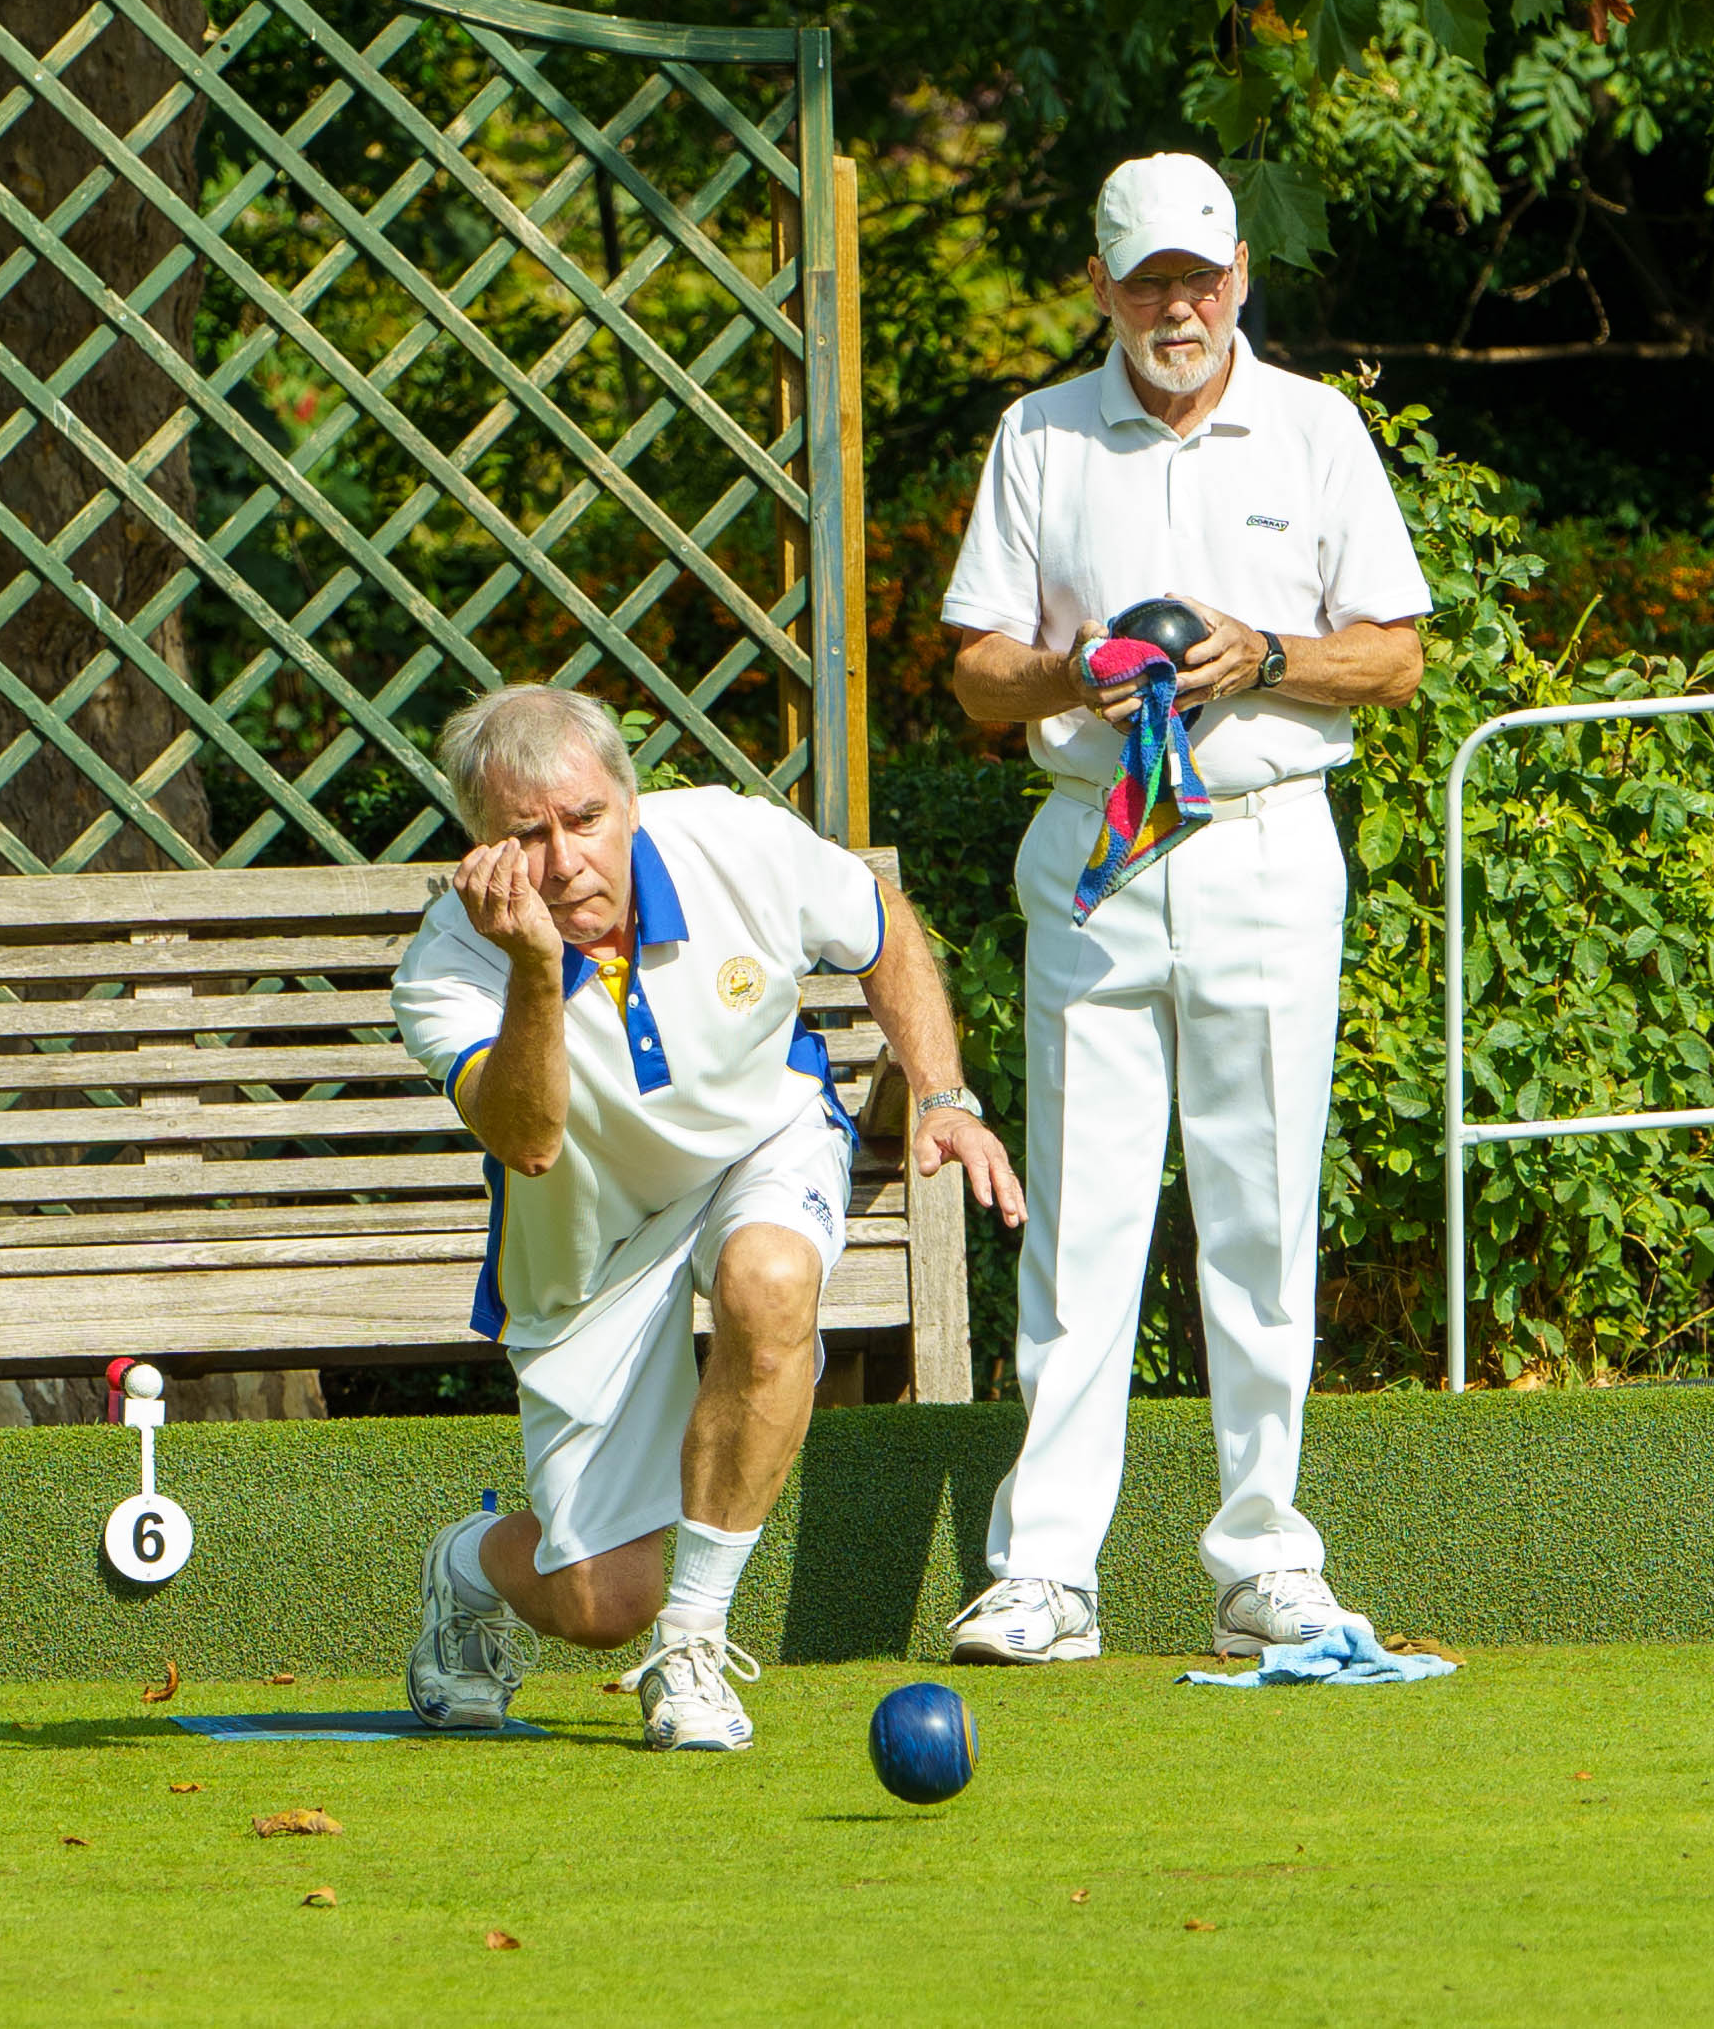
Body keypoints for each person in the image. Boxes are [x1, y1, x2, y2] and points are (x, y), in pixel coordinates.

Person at [936, 152, 1432, 1665]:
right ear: (1099, 285)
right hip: (1095, 851)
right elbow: (972, 672)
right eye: (1146, 280)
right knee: (1078, 1227)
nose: (1177, 306)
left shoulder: (1315, 427)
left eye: (1199, 279)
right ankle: (1047, 1573)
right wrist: (1072, 672)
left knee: (1260, 1217)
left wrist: (1259, 658)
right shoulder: (1038, 436)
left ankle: (1263, 1559)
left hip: (1265, 849)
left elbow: (1394, 655)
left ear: (1238, 282)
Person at [391, 684, 1025, 1749]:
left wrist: (945, 1090)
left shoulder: (737, 841)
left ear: (631, 803)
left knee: (771, 1279)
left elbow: (882, 931)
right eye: (524, 835)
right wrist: (536, 972)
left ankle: (692, 1643)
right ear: (479, 847)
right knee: (601, 1602)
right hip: (585, 1239)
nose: (563, 861)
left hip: (759, 1144)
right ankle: (469, 1564)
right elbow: (530, 1137)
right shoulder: (449, 962)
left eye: (586, 819)